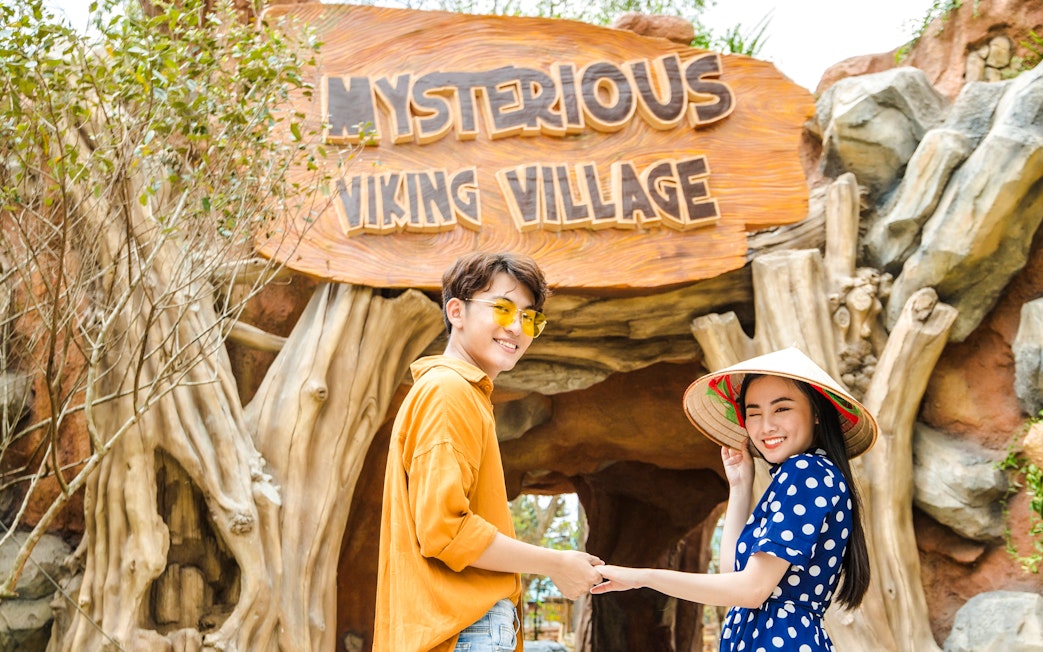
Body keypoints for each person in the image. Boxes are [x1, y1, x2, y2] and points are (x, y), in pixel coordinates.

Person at [374, 251, 604, 652]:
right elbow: (445, 531)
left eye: (530, 318)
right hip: (464, 630)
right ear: (456, 312)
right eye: (501, 308)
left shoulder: (459, 393)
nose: (517, 327)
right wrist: (556, 563)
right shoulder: (449, 392)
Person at [590, 346, 878, 651]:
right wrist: (740, 485)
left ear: (817, 413)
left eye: (782, 409)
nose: (766, 426)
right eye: (754, 413)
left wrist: (644, 576)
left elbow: (752, 590)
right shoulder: (806, 475)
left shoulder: (806, 471)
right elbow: (734, 578)